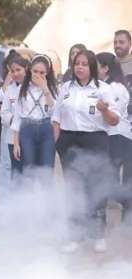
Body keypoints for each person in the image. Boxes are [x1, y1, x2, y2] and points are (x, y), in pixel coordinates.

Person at [53, 50, 120, 254]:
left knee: (95, 189)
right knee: (74, 189)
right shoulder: (65, 87)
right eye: (77, 64)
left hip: (95, 140)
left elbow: (115, 120)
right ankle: (76, 235)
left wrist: (104, 110)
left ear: (92, 67)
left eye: (84, 64)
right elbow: (56, 117)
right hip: (69, 140)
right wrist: (58, 142)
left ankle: (98, 234)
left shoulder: (103, 89)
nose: (80, 67)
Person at [11, 55, 58, 187]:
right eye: (35, 71)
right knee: (28, 168)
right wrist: (16, 143)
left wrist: (45, 89)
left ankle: (45, 201)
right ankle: (30, 202)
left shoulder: (53, 89)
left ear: (47, 73)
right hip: (27, 129)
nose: (38, 75)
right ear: (30, 71)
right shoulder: (22, 89)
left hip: (46, 128)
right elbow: (17, 116)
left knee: (47, 167)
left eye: (42, 72)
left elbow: (54, 111)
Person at [96, 52, 132, 225]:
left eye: (95, 66)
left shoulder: (115, 88)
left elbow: (111, 115)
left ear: (105, 68)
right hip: (111, 136)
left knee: (109, 182)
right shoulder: (104, 85)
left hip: (119, 137)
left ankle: (128, 204)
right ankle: (101, 221)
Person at [0, 55, 29, 185]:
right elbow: (4, 113)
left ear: (26, 69)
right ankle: (14, 202)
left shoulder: (34, 87)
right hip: (12, 137)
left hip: (30, 135)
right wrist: (15, 122)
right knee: (15, 172)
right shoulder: (10, 89)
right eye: (12, 71)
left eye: (18, 70)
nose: (15, 73)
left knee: (29, 172)